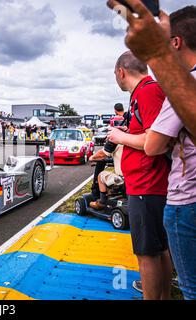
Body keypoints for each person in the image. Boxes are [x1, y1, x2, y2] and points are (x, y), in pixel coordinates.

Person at [107, 51, 172, 300]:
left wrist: (119, 136)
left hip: (148, 184)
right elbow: (149, 130)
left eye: (115, 75)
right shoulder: (145, 92)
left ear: (121, 72)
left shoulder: (147, 91)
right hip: (149, 183)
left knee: (147, 252)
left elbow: (156, 139)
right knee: (158, 248)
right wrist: (128, 131)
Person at [143, 6, 196, 300]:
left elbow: (152, 145)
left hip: (185, 200)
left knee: (191, 289)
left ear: (175, 42)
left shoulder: (182, 85)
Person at [107, 0, 196, 138]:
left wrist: (158, 54)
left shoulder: (150, 90)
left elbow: (153, 146)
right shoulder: (186, 82)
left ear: (175, 42)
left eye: (165, 39)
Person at [89, 146, 124, 210]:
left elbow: (102, 154)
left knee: (100, 175)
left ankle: (102, 202)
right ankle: (111, 193)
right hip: (132, 177)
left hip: (122, 178)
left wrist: (92, 157)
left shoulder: (116, 140)